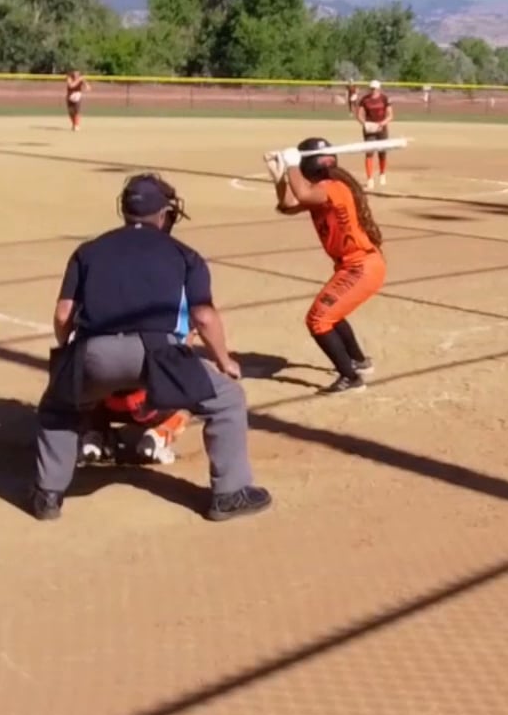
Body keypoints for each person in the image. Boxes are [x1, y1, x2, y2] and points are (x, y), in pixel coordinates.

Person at [33, 173, 271, 522]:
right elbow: (203, 317)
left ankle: (48, 496)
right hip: (159, 354)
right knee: (227, 400)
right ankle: (229, 494)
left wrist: (71, 359)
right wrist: (224, 360)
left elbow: (63, 314)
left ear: (124, 210)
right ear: (164, 214)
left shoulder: (88, 251)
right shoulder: (184, 254)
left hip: (95, 352)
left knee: (57, 407)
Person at [268, 138, 386, 394]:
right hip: (355, 265)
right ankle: (359, 362)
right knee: (332, 313)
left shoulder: (331, 189)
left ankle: (350, 378)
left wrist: (291, 164)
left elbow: (301, 194)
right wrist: (279, 177)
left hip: (361, 266)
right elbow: (288, 206)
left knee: (318, 320)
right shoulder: (325, 189)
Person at [356, 79, 394, 187]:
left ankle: (382, 174)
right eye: (372, 89)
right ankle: (370, 179)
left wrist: (383, 123)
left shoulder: (384, 99)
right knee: (369, 153)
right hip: (370, 129)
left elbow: (390, 115)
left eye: (375, 89)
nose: (373, 91)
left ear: (379, 89)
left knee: (382, 152)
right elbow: (359, 115)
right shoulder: (365, 100)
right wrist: (365, 124)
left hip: (382, 128)